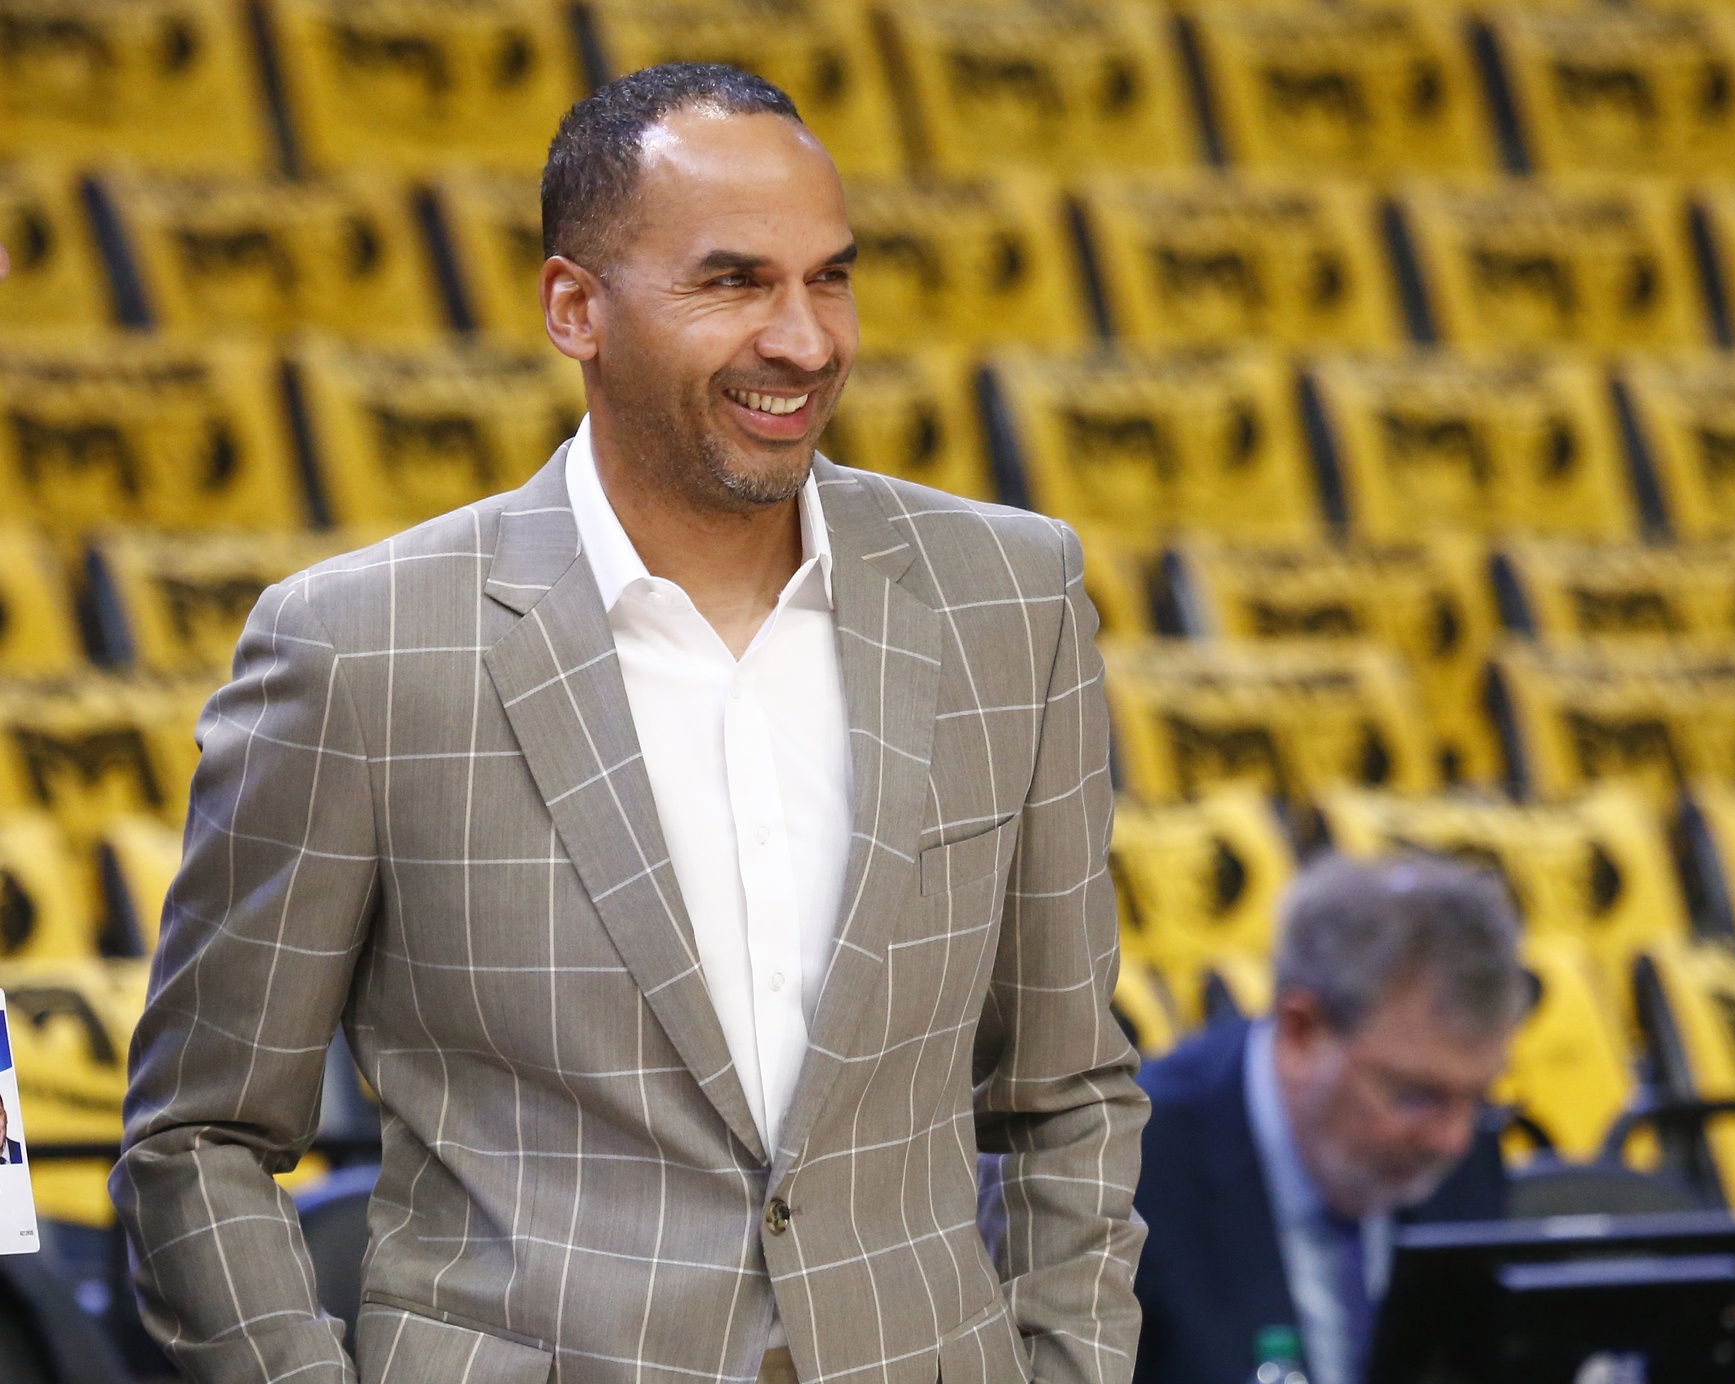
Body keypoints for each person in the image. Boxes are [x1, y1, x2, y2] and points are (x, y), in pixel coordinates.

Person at [114, 64, 1145, 1384]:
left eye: (829, 276)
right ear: (574, 308)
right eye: (735, 282)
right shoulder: (359, 648)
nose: (806, 339)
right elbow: (198, 1137)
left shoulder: (1014, 595)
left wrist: (1068, 1367)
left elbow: (1069, 1092)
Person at [1131, 855, 1528, 1384]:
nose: (1454, 1139)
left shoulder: (1465, 1149)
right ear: (1302, 1032)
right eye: (1416, 1096)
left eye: (1478, 1098)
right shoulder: (1129, 1166)